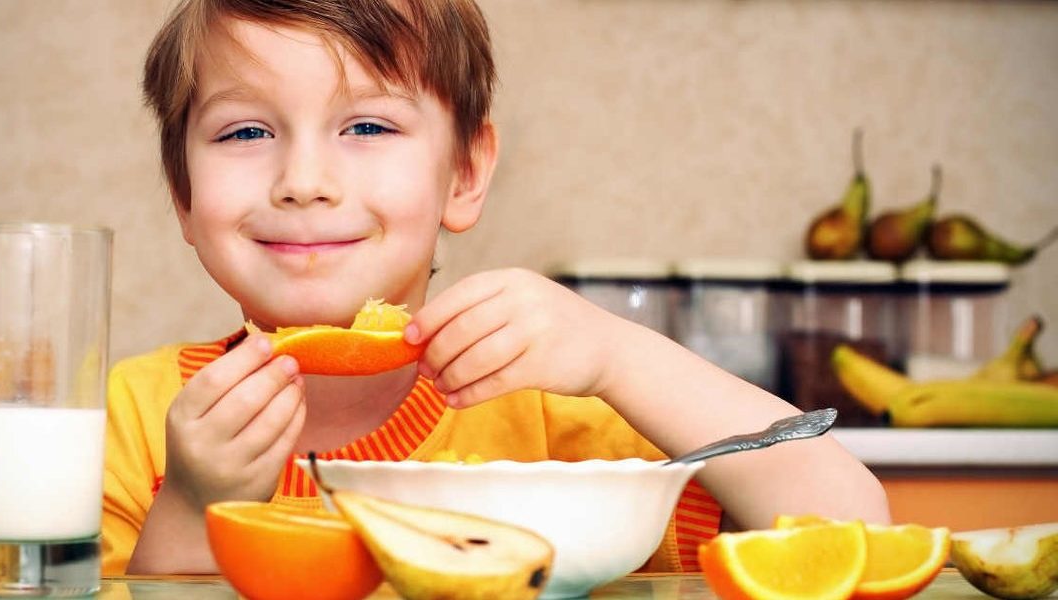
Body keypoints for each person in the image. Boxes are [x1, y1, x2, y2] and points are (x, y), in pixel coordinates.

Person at [102, 0, 890, 576]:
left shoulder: (560, 413)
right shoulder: (128, 417)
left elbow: (853, 528)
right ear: (183, 194)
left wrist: (618, 356)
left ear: (467, 174)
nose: (303, 182)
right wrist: (193, 506)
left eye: (368, 127)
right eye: (245, 132)